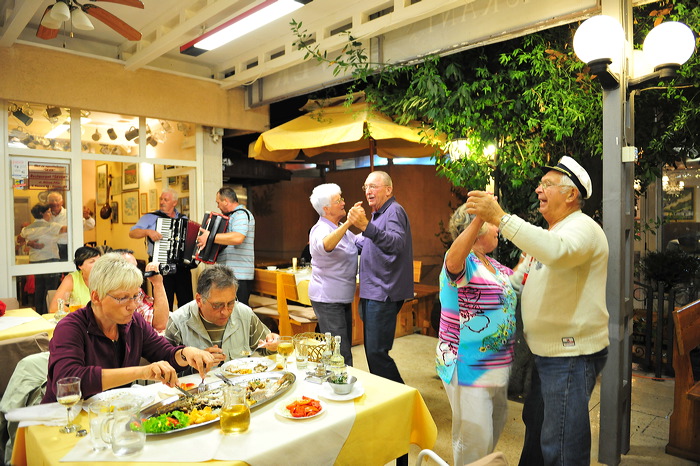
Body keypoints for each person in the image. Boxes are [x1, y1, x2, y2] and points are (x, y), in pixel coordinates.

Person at [466, 156, 609, 466]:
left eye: (547, 184)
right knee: (537, 423)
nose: (538, 189)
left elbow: (556, 252)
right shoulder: (552, 233)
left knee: (559, 441)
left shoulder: (582, 228)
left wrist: (501, 218)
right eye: (540, 183)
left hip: (569, 356)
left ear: (571, 194)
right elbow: (517, 281)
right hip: (546, 355)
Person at [42, 253, 216, 403]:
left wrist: (186, 353)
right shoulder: (70, 328)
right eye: (123, 298)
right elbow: (68, 382)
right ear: (96, 297)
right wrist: (140, 372)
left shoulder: (134, 323)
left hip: (111, 415)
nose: (132, 305)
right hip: (63, 418)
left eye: (135, 296)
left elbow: (165, 354)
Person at [437, 203, 517, 465]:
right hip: (467, 362)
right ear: (478, 227)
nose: (498, 228)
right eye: (493, 222)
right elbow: (452, 262)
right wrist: (481, 215)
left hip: (496, 363)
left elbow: (516, 283)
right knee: (475, 435)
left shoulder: (492, 264)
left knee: (493, 427)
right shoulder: (463, 259)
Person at [347, 170, 414, 384]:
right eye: (366, 187)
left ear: (388, 189)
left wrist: (366, 226)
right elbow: (363, 243)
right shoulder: (378, 215)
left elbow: (396, 244)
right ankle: (390, 397)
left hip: (383, 291)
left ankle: (401, 397)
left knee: (377, 352)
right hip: (372, 290)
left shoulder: (394, 211)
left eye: (373, 186)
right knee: (373, 351)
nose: (368, 191)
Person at [164, 264, 279, 367]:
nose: (226, 311)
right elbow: (164, 368)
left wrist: (273, 344)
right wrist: (193, 362)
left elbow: (266, 350)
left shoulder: (244, 314)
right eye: (217, 305)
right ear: (199, 300)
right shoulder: (178, 322)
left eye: (231, 303)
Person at [307, 183, 363, 366]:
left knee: (341, 348)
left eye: (341, 198)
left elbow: (360, 241)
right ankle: (340, 390)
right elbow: (325, 245)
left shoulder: (339, 228)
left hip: (342, 298)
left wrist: (372, 224)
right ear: (326, 208)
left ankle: (341, 387)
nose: (343, 202)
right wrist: (349, 222)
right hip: (327, 299)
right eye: (338, 200)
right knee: (340, 353)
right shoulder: (320, 229)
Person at [129, 189, 194, 311]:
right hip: (160, 265)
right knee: (164, 299)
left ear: (174, 203)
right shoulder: (150, 217)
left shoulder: (183, 219)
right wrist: (148, 231)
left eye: (166, 199)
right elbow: (132, 233)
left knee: (186, 302)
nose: (162, 202)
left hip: (181, 267)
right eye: (161, 199)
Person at [196, 187, 255, 306]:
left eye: (218, 202)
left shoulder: (241, 215)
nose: (217, 206)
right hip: (230, 274)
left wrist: (210, 237)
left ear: (226, 201)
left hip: (239, 275)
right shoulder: (232, 217)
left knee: (238, 315)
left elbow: (238, 238)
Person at [20, 203, 67, 314]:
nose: (50, 214)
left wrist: (29, 243)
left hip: (35, 261)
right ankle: (47, 314)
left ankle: (39, 314)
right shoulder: (51, 226)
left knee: (39, 289)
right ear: (42, 213)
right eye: (49, 212)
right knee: (50, 290)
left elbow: (19, 240)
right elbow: (66, 229)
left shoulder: (27, 228)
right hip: (50, 260)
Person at [112, 249, 170, 333]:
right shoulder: (115, 295)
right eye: (131, 269)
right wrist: (157, 284)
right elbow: (159, 324)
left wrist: (157, 283)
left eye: (136, 268)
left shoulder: (136, 290)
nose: (137, 273)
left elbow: (161, 321)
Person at [48, 246, 101, 313]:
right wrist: (81, 311)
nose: (98, 264)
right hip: (82, 320)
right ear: (80, 266)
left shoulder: (107, 277)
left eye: (99, 261)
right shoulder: (72, 279)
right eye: (92, 262)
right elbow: (54, 307)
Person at [47, 192, 69, 261]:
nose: (54, 203)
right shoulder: (45, 216)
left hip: (67, 248)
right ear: (48, 203)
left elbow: (85, 225)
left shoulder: (69, 213)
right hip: (50, 249)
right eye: (52, 200)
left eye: (57, 200)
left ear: (62, 202)